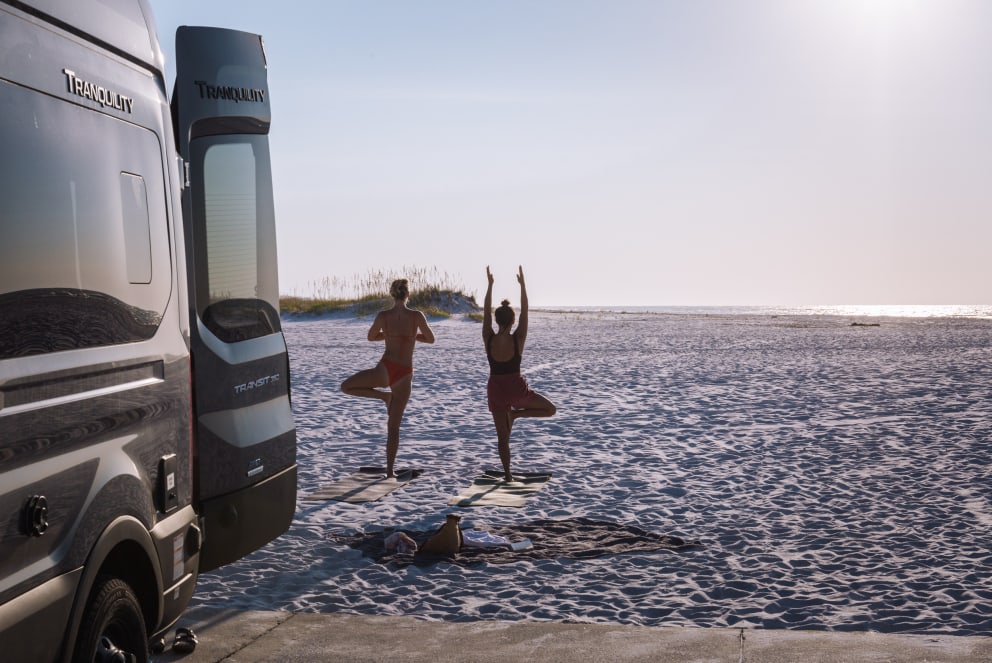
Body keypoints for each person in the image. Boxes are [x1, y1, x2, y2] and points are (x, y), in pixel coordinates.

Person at [341, 278, 435, 477]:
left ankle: (383, 397)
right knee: (394, 427)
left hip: (386, 368)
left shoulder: (384, 316)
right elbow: (431, 339)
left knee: (346, 387)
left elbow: (370, 337)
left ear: (392, 294)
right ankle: (390, 471)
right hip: (404, 374)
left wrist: (389, 335)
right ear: (408, 294)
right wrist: (411, 337)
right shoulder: (417, 316)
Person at [483, 265, 556, 482]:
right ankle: (517, 414)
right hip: (516, 390)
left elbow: (485, 312)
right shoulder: (518, 338)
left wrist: (489, 286)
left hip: (495, 389)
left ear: (497, 321)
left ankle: (507, 475)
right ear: (512, 321)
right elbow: (525, 310)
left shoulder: (488, 337)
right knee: (550, 409)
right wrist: (523, 286)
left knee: (502, 438)